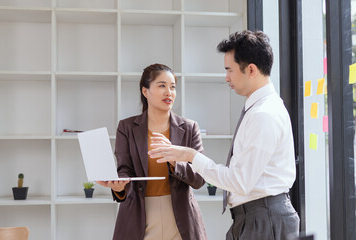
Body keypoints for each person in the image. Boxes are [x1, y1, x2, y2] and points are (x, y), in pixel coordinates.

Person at [149, 30, 300, 240]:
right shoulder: (258, 109)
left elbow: (240, 181)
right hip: (253, 217)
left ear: (251, 70)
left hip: (263, 219)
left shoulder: (263, 115)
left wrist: (190, 156)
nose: (226, 77)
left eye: (229, 70)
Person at [97, 63, 207, 240]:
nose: (168, 92)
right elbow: (124, 169)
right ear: (145, 91)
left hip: (181, 216)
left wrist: (174, 159)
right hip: (139, 215)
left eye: (172, 87)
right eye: (161, 85)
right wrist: (119, 186)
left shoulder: (189, 127)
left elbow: (200, 178)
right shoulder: (127, 127)